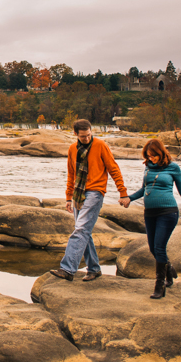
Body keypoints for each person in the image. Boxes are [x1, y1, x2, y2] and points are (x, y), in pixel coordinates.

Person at [120, 138, 181, 299]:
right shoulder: (147, 168)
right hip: (150, 213)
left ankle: (160, 286)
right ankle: (169, 269)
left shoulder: (173, 168)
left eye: (154, 156)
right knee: (153, 248)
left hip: (168, 213)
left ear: (161, 153)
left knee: (159, 247)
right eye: (148, 155)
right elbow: (144, 189)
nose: (151, 158)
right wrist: (129, 198)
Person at [50, 119, 130, 282]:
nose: (87, 138)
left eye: (88, 135)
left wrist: (123, 192)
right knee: (84, 231)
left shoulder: (100, 146)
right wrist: (68, 197)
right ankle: (94, 268)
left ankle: (67, 269)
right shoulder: (73, 149)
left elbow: (113, 168)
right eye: (83, 136)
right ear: (75, 134)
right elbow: (71, 174)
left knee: (80, 229)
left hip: (95, 192)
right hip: (79, 194)